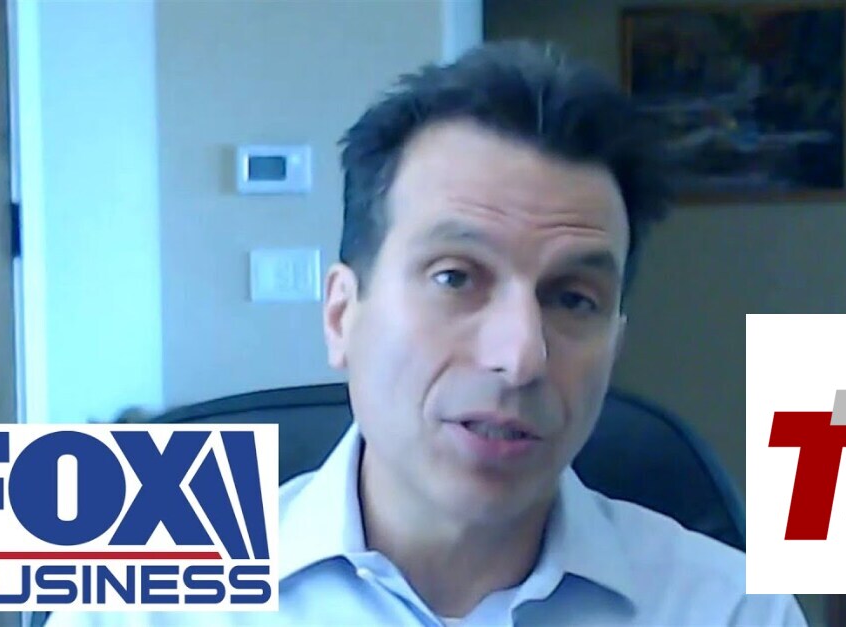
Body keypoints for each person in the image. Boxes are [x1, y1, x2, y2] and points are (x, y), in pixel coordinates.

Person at [47, 40, 805, 626]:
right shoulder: (136, 604)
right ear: (341, 315)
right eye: (454, 278)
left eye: (574, 299)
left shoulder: (731, 609)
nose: (520, 357)